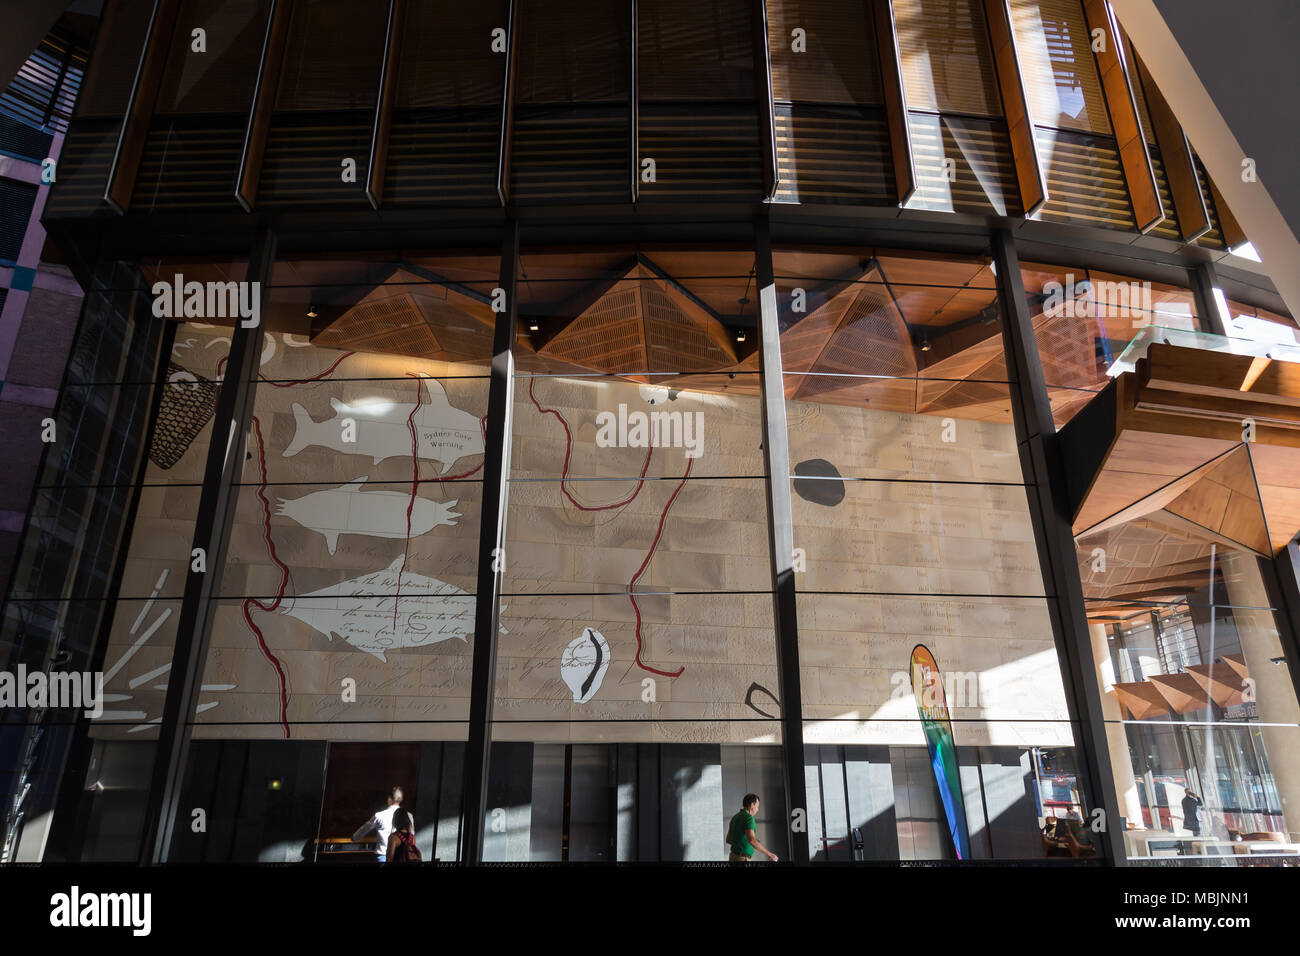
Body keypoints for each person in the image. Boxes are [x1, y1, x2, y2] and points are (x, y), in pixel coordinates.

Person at [352, 786, 415, 864]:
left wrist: (354, 838)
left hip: (382, 856)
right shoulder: (409, 816)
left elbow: (363, 830)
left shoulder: (379, 816)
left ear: (389, 799)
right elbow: (411, 836)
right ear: (401, 799)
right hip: (401, 857)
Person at [725, 794, 778, 863]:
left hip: (732, 858)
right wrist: (770, 854)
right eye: (757, 807)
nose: (757, 810)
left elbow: (728, 840)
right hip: (743, 859)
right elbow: (752, 841)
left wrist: (745, 842)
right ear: (752, 805)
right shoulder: (749, 818)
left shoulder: (735, 817)